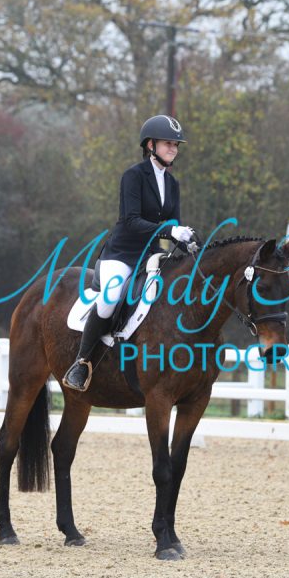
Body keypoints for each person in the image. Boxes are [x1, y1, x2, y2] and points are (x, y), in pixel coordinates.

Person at [62, 115, 195, 391]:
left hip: (152, 257)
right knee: (110, 297)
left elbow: (175, 225)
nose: (174, 149)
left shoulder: (173, 184)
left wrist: (191, 245)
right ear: (150, 145)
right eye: (168, 143)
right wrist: (170, 231)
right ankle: (82, 362)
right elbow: (132, 221)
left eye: (176, 145)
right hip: (122, 254)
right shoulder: (133, 176)